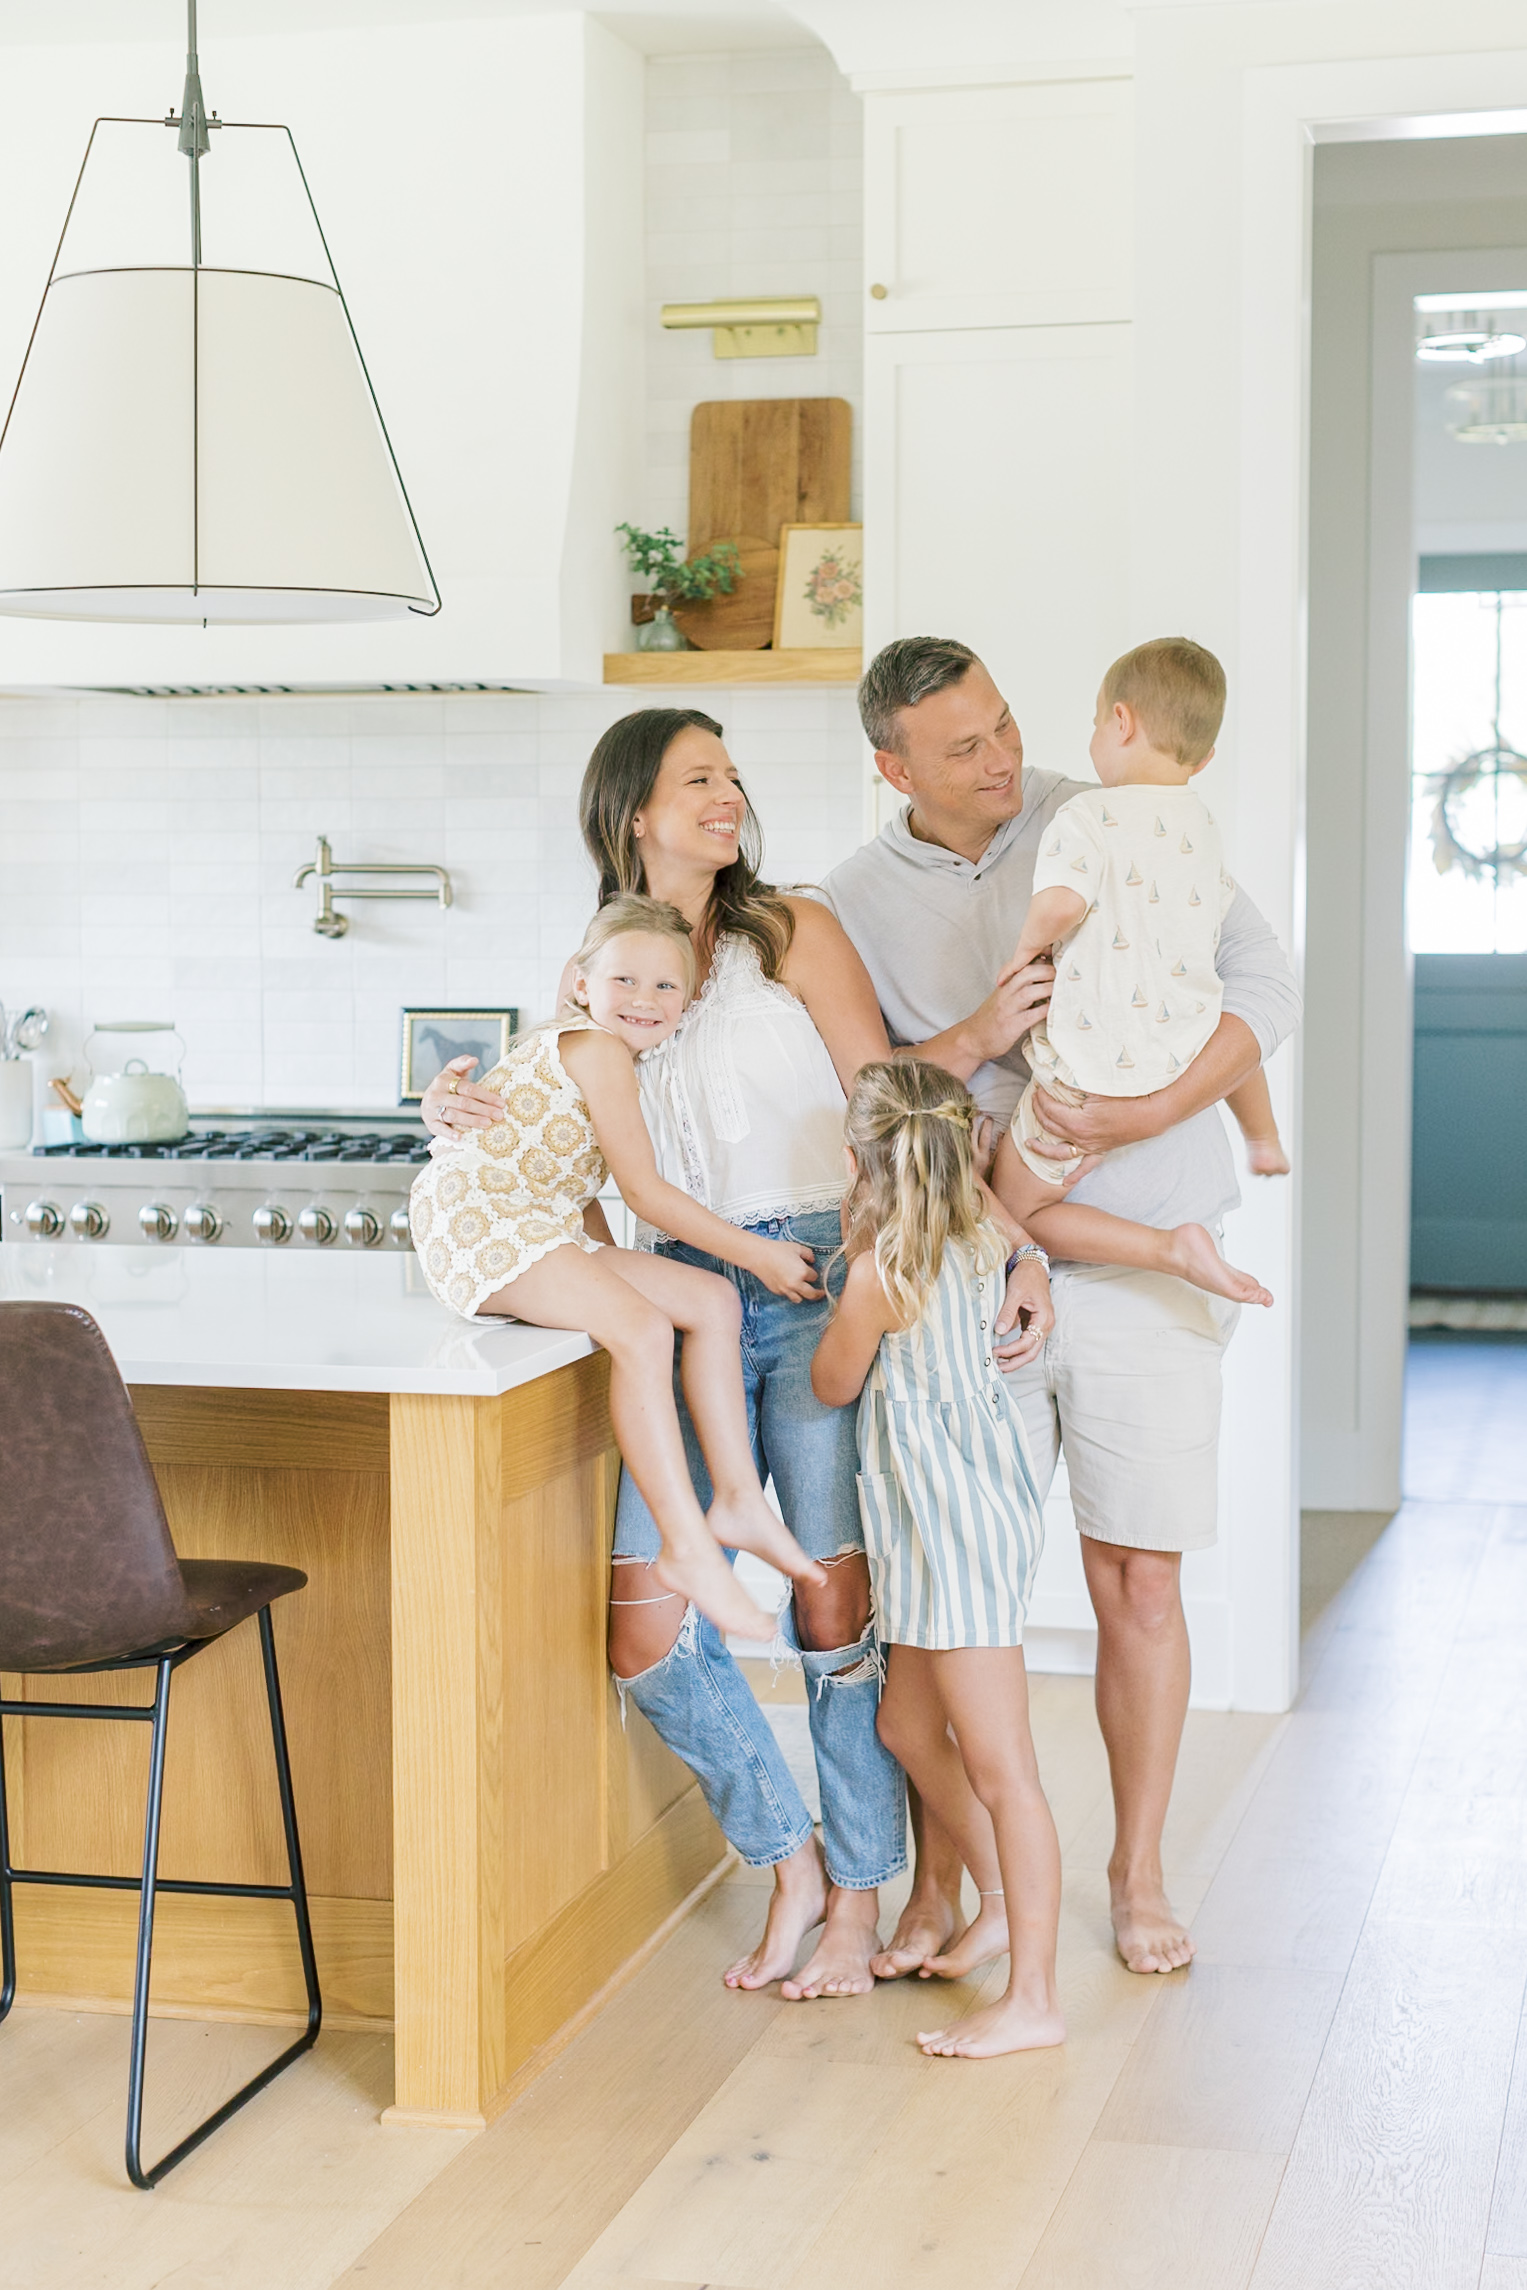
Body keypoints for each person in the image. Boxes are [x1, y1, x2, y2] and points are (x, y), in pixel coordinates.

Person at [421, 708, 994, 1998]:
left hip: (804, 1277)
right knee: (644, 1626)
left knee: (832, 1607)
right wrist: (447, 1102)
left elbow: (884, 1096)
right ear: (635, 809)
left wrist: (978, 1248)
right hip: (683, 1296)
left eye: (734, 776)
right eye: (698, 780)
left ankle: (857, 1896)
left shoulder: (788, 929)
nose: (728, 796)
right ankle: (785, 1858)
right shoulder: (602, 963)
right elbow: (548, 1116)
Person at [820, 636, 1302, 1979]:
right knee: (940, 1598)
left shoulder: (1109, 816)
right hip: (975, 1269)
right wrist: (972, 1036)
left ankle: (1133, 1871)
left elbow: (1261, 984)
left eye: (1003, 728)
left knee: (1137, 1576)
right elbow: (867, 1086)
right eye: (961, 748)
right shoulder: (853, 896)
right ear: (890, 766)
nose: (997, 762)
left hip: (1148, 1257)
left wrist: (1148, 1107)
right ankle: (944, 1882)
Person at [410, 894, 827, 1644]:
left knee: (707, 1301)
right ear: (580, 981)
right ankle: (688, 1548)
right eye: (624, 982)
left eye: (666, 986)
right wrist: (758, 1254)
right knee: (639, 1327)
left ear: (689, 997)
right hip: (480, 1224)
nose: (644, 1000)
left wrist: (610, 1260)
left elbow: (563, 1181)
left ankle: (735, 1497)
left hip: (534, 1221)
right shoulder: (595, 1049)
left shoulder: (599, 1050)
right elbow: (642, 1192)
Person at [811, 1061, 1064, 2059]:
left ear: (855, 1162)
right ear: (975, 1153)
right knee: (906, 1722)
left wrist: (842, 1254)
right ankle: (997, 1898)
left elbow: (834, 1383)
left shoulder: (882, 1273)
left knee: (1006, 1770)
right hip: (929, 1525)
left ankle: (1036, 1993)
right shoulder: (982, 1233)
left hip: (956, 1536)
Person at [992, 637, 1283, 1308]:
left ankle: (1168, 1248)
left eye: (1097, 720)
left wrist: (1023, 950)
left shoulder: (1086, 814)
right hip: (1180, 1054)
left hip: (1087, 1068)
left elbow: (1061, 903)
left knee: (1012, 1213)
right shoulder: (1202, 825)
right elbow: (1244, 961)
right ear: (1205, 758)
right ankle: (1262, 1140)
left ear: (1119, 722)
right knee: (1230, 1019)